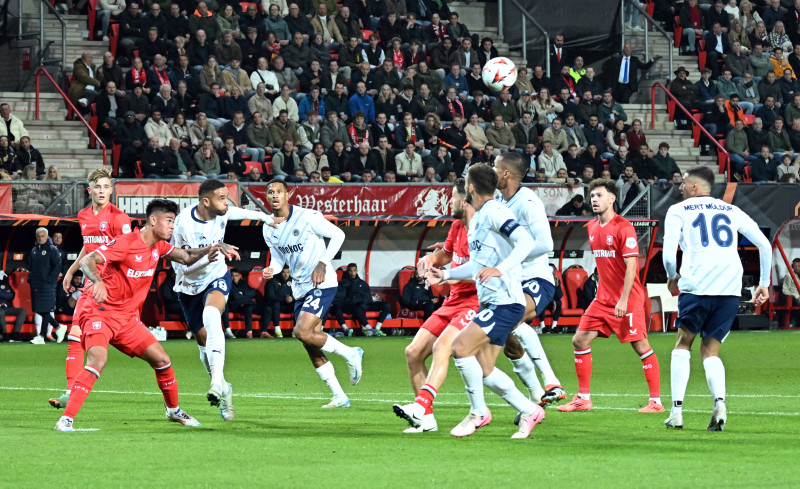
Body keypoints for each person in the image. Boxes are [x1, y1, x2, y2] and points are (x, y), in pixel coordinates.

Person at [54, 199, 236, 432]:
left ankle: (172, 410)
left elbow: (186, 256)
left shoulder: (158, 247)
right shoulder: (126, 243)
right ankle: (66, 420)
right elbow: (89, 260)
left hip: (127, 320)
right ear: (153, 220)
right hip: (100, 312)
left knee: (162, 361)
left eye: (174, 221)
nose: (173, 226)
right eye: (169, 221)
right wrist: (98, 281)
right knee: (98, 360)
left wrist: (213, 247)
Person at [424, 164, 545, 439]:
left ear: (472, 188)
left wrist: (501, 269)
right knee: (486, 370)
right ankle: (529, 410)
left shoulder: (495, 211)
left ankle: (478, 412)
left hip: (507, 302)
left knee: (460, 347)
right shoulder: (479, 218)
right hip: (491, 301)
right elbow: (477, 265)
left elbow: (526, 241)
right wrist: (446, 274)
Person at [662, 166, 772, 431]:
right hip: (729, 289)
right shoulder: (731, 210)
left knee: (683, 344)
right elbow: (765, 245)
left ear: (695, 187)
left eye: (684, 182)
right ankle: (720, 405)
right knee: (710, 350)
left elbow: (668, 254)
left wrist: (671, 276)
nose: (680, 186)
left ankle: (676, 412)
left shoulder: (678, 210)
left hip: (697, 285)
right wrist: (764, 284)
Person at [171, 179, 280, 421]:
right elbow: (181, 262)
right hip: (188, 282)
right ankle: (224, 386)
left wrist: (264, 217)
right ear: (206, 202)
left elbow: (236, 211)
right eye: (222, 198)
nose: (227, 202)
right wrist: (210, 253)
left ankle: (216, 384)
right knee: (203, 343)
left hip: (216, 275)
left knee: (211, 315)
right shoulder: (184, 225)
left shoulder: (221, 212)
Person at [557, 178, 663, 414]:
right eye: (592, 195)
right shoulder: (593, 227)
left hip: (628, 299)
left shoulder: (624, 227)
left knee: (641, 346)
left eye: (599, 195)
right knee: (579, 340)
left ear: (612, 198)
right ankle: (583, 398)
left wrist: (623, 300)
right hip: (602, 300)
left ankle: (656, 402)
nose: (594, 199)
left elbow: (632, 267)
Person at [262, 179, 364, 408]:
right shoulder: (268, 227)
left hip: (322, 282)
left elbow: (338, 235)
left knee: (301, 331)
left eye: (279, 191)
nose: (275, 195)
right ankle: (339, 395)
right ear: (266, 198)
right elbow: (279, 258)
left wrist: (322, 262)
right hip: (299, 287)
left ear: (287, 195)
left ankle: (351, 353)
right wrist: (273, 269)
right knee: (310, 343)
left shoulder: (307, 217)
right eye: (270, 192)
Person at [49, 167, 132, 410]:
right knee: (75, 334)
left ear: (111, 190)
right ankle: (69, 391)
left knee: (132, 345)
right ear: (90, 190)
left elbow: (125, 251)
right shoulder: (84, 215)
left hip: (111, 285)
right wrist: (71, 270)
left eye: (107, 187)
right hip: (91, 281)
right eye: (98, 187)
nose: (102, 191)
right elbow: (88, 247)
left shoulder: (119, 218)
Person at [494, 153, 567, 413]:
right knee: (507, 339)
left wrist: (512, 258)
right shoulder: (499, 200)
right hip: (510, 280)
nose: (492, 169)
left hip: (535, 278)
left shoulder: (528, 201)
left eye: (495, 166)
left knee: (508, 321)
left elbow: (546, 243)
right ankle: (539, 393)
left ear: (506, 173)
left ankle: (550, 382)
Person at [332, 263, 391, 337]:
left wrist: (368, 301)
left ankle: (377, 328)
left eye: (354, 271)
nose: (352, 273)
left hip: (367, 304)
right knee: (358, 308)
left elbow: (369, 297)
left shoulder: (363, 283)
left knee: (386, 305)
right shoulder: (343, 283)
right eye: (350, 271)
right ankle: (368, 328)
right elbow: (343, 298)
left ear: (357, 271)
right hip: (355, 306)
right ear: (348, 271)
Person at [28, 228, 64, 345]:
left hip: (47, 284)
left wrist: (50, 279)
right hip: (36, 284)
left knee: (44, 309)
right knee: (40, 309)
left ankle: (46, 334)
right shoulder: (34, 250)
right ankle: (55, 329)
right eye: (38, 236)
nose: (40, 238)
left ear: (47, 236)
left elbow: (58, 265)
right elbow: (31, 266)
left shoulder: (52, 249)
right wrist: (30, 279)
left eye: (43, 236)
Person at [264, 265, 293, 338]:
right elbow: (270, 296)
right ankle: (277, 329)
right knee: (275, 303)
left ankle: (296, 330)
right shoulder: (273, 280)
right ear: (280, 272)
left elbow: (298, 294)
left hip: (288, 305)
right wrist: (284, 299)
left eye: (288, 272)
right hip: (276, 306)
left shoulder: (292, 281)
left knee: (298, 304)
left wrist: (292, 298)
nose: (286, 274)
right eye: (284, 272)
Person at [0, 270, 27, 342]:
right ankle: (4, 334)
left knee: (22, 311)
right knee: (0, 312)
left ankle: (15, 334)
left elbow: (11, 295)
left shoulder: (4, 284)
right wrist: (4, 293)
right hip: (0, 308)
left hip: (7, 307)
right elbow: (7, 295)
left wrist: (1, 293)